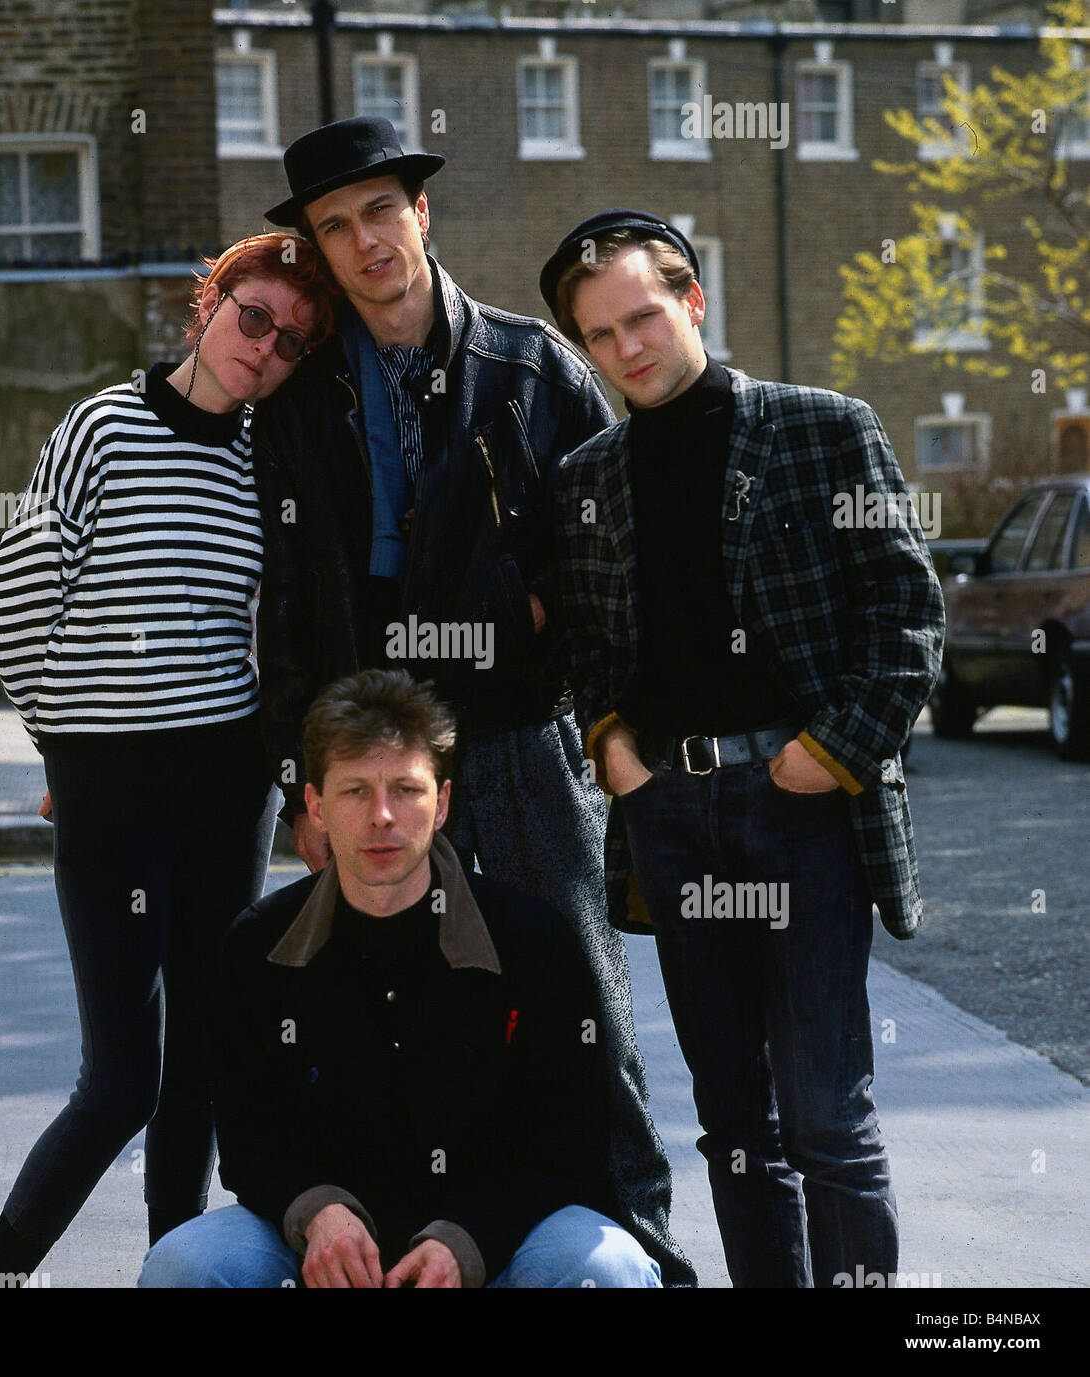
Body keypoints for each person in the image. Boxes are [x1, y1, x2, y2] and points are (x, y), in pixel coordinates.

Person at [249, 116, 694, 1285]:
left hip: (512, 739)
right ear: (319, 245)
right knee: (368, 1011)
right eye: (335, 226)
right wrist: (304, 779)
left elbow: (617, 559)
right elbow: (287, 603)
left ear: (421, 212)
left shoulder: (531, 366)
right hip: (366, 755)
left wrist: (555, 647)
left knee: (582, 1000)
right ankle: (407, 1241)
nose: (364, 241)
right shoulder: (297, 406)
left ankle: (629, 1246)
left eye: (380, 211)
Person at [542, 209, 946, 1288]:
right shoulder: (585, 477)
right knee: (731, 1120)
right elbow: (584, 644)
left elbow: (907, 614)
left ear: (691, 301)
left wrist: (835, 749)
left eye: (643, 317)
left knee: (825, 1115)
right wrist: (614, 752)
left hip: (803, 804)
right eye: (602, 335)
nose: (629, 348)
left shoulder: (823, 428)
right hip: (673, 820)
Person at [0, 233, 339, 1285]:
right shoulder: (104, 426)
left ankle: (168, 1274)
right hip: (111, 789)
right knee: (122, 1081)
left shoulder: (271, 459)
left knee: (202, 1074)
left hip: (228, 788)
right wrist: (68, 745)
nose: (263, 350)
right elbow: (10, 607)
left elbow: (265, 633)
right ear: (210, 305)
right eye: (252, 315)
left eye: (290, 340)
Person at [138, 668, 665, 1288]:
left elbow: (570, 1146)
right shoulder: (256, 947)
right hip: (326, 1258)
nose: (382, 816)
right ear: (315, 806)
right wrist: (316, 1211)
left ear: (442, 803)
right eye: (355, 791)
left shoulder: (531, 939)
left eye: (406, 790)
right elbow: (251, 1141)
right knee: (183, 1265)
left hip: (493, 1249)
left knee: (609, 1266)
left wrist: (467, 1241)